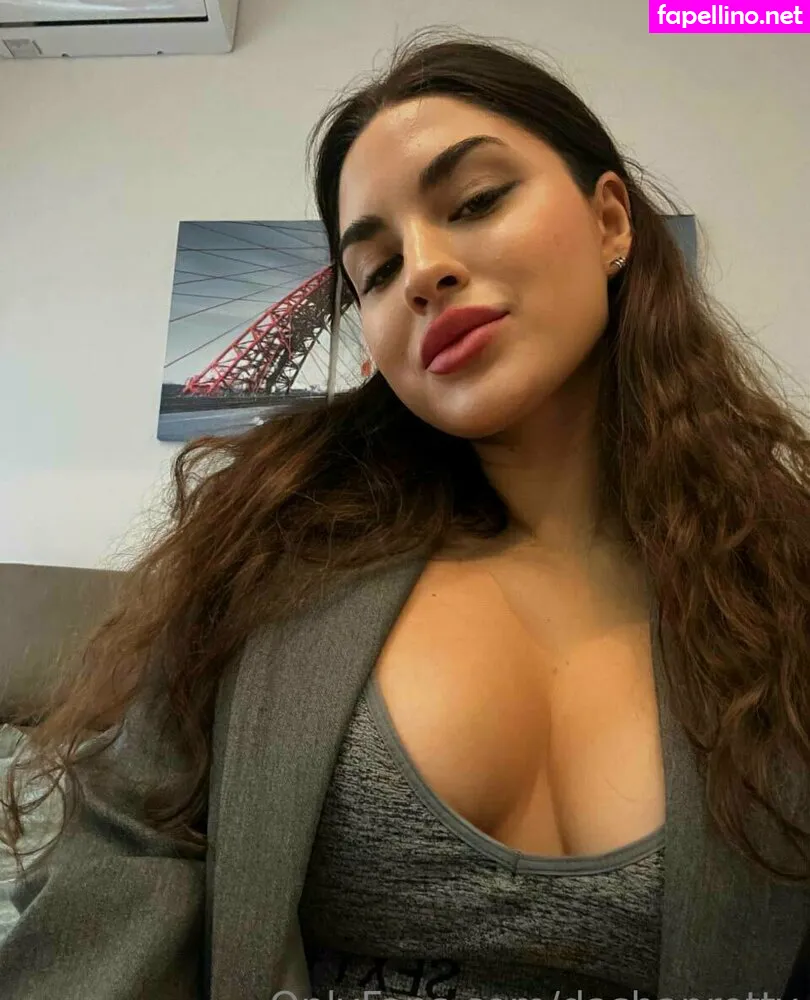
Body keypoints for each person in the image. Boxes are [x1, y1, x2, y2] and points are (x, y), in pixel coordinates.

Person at [1, 28, 809, 1000]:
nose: (424, 269)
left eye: (475, 201)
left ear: (610, 222)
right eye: (377, 272)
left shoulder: (785, 583)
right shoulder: (268, 555)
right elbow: (123, 856)